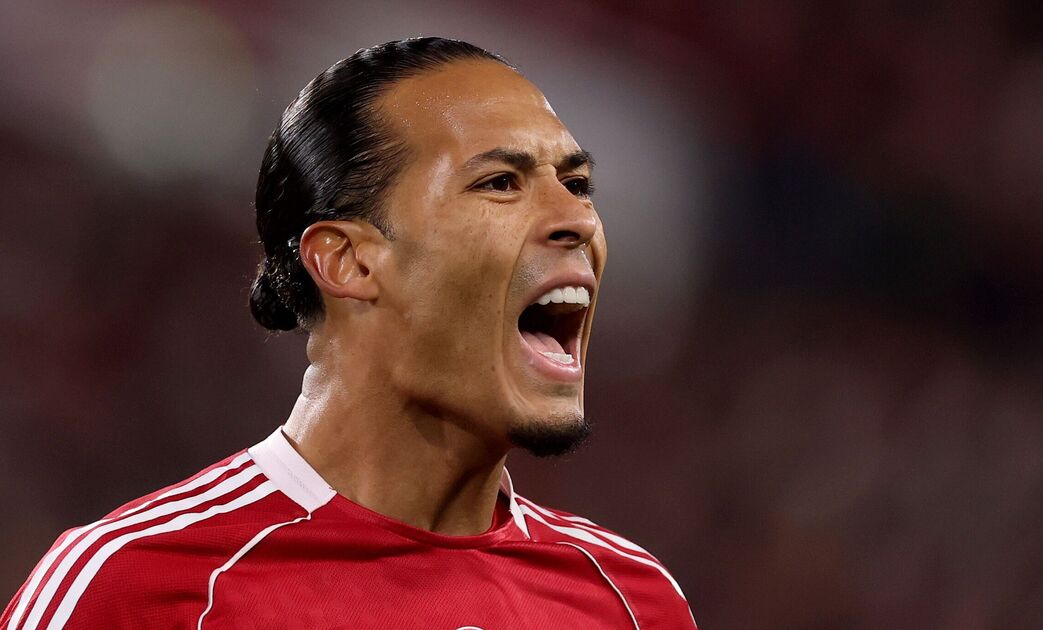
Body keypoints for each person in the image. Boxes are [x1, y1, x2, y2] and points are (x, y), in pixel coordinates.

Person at [1, 37, 696, 629]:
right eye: (499, 184)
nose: (577, 219)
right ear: (348, 262)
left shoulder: (631, 602)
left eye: (577, 184)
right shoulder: (141, 589)